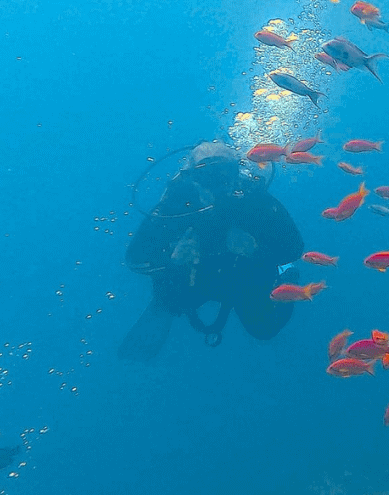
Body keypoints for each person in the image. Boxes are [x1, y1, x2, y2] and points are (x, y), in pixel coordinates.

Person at [119, 141, 305, 360]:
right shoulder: (176, 203)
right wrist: (171, 259)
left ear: (237, 172)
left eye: (224, 173)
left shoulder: (254, 199)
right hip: (197, 277)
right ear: (191, 176)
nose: (216, 183)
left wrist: (256, 250)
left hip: (244, 277)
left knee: (264, 330)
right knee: (167, 297)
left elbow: (294, 248)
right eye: (207, 174)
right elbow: (135, 258)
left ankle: (287, 276)